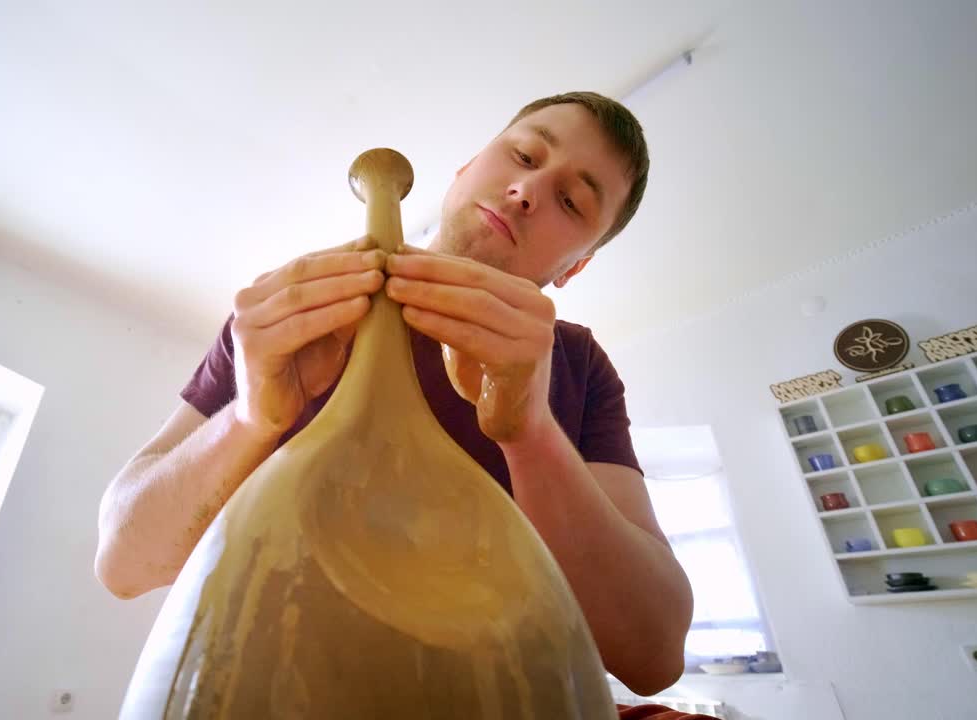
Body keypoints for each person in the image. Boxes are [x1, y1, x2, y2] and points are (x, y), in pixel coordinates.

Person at [96, 91, 697, 707]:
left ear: (575, 268)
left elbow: (652, 653)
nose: (528, 190)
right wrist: (252, 417)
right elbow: (123, 562)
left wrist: (531, 432)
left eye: (572, 202)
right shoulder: (283, 318)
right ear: (466, 169)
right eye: (522, 154)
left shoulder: (577, 364)